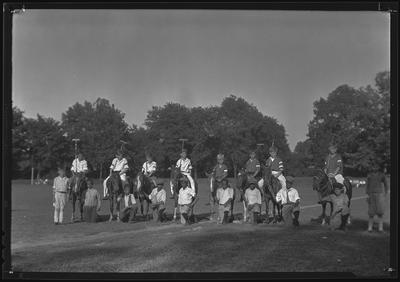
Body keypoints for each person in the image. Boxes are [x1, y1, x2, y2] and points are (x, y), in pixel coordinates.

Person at [366, 164, 389, 232]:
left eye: (376, 166)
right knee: (371, 212)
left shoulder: (381, 175)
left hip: (379, 194)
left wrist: (385, 192)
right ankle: (370, 228)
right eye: (373, 166)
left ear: (378, 167)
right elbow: (367, 185)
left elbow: (386, 184)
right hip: (371, 194)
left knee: (380, 212)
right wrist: (367, 194)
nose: (374, 168)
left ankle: (380, 228)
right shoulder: (369, 175)